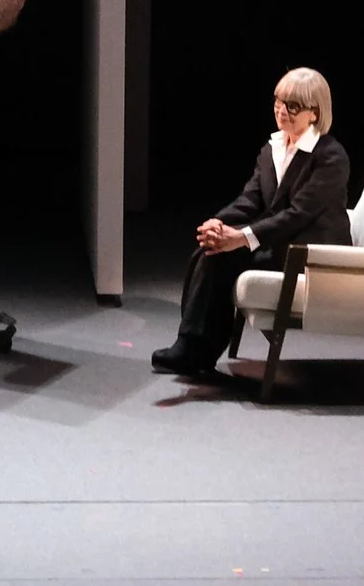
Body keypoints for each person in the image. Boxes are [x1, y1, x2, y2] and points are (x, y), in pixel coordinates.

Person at [150, 66, 352, 375]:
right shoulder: (273, 148)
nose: (281, 110)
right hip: (281, 244)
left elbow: (298, 215)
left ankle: (195, 351)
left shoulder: (330, 157)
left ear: (314, 113)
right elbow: (251, 199)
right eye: (278, 102)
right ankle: (193, 347)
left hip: (309, 253)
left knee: (225, 254)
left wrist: (241, 238)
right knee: (211, 251)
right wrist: (218, 223)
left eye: (292, 106)